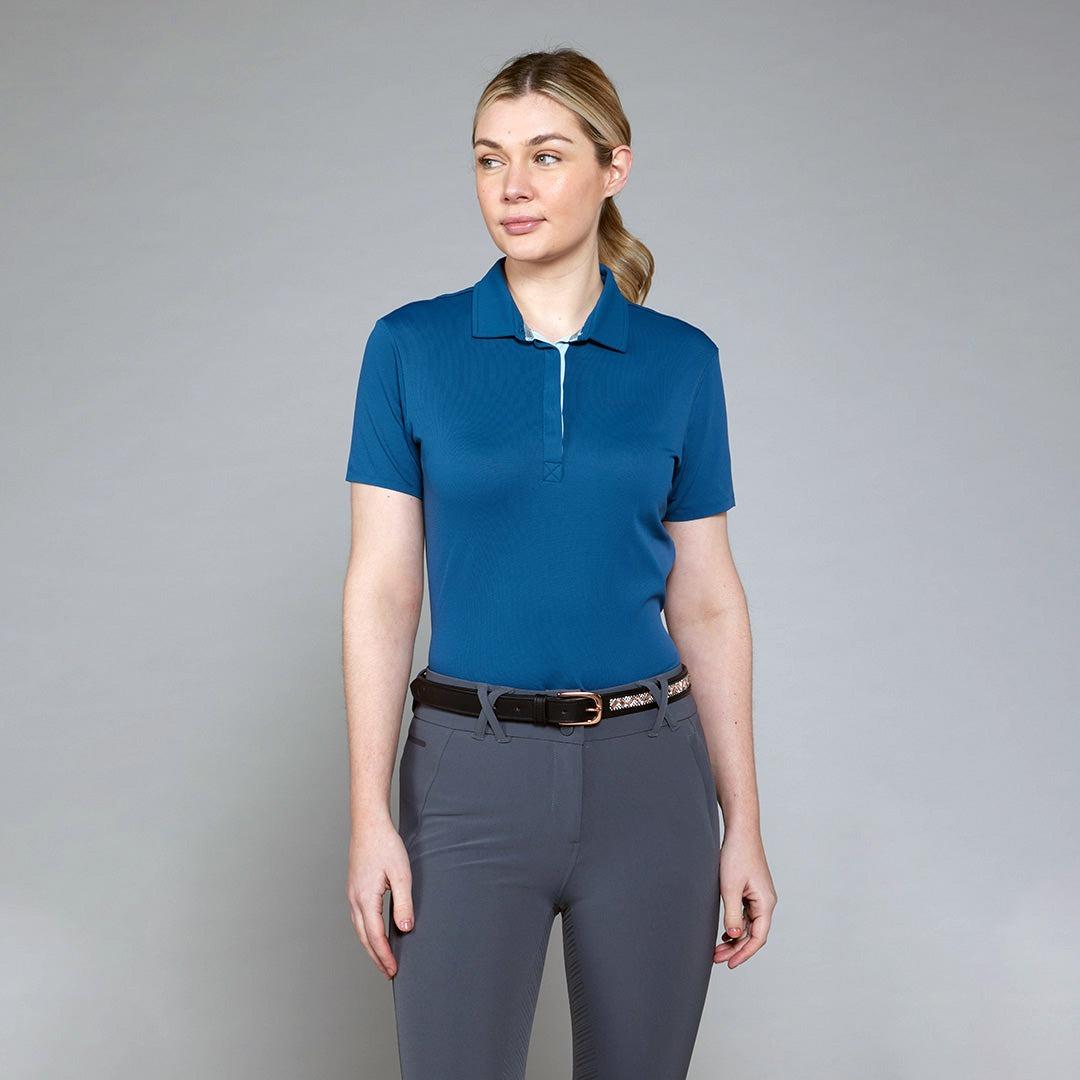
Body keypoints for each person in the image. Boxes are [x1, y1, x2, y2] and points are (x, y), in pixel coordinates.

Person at [342, 47, 776, 1080]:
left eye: (545, 156)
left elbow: (708, 600)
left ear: (613, 167)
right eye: (489, 159)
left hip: (651, 779)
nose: (512, 187)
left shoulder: (682, 361)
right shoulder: (410, 347)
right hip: (467, 775)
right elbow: (383, 589)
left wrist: (744, 824)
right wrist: (367, 815)